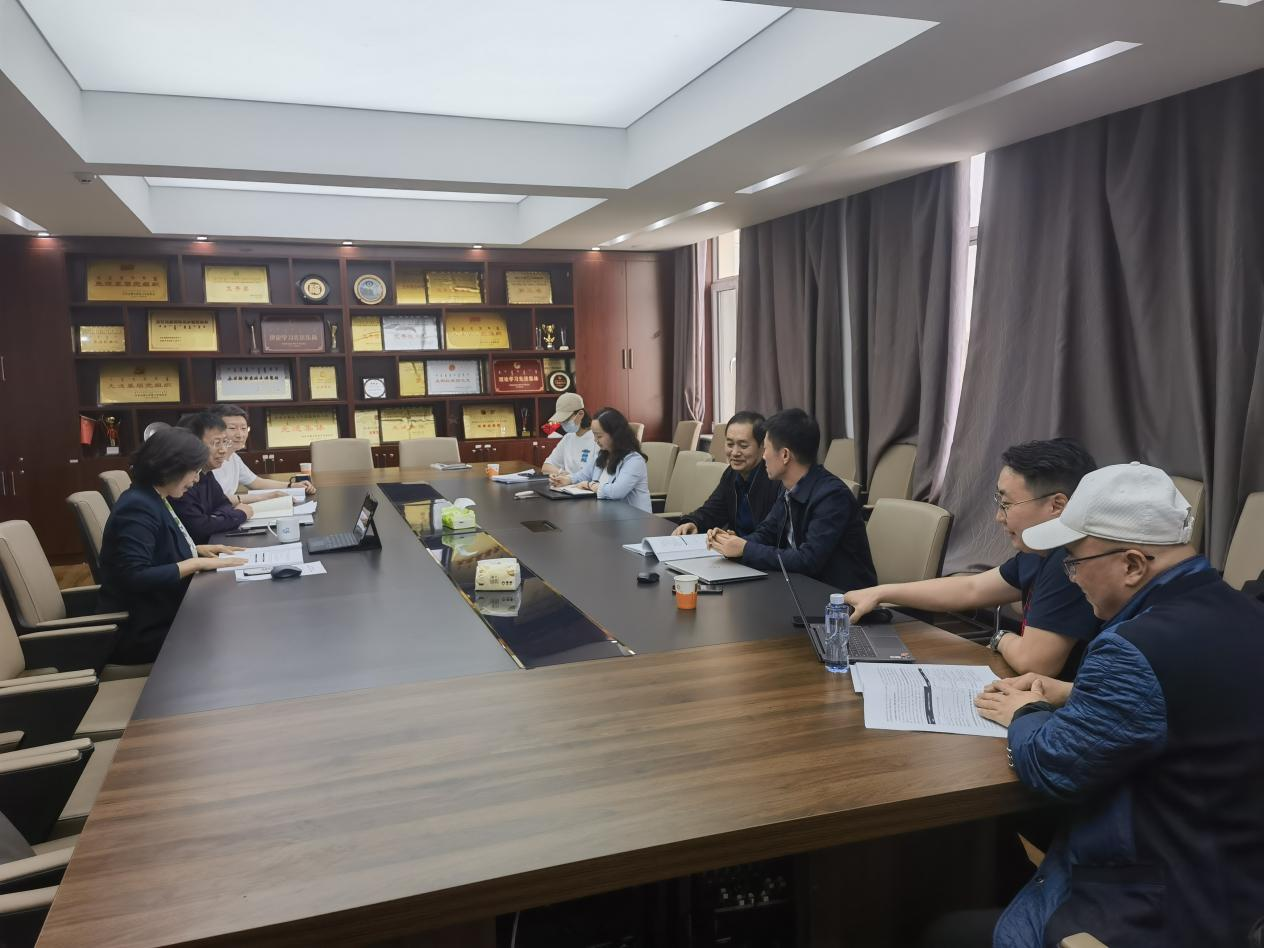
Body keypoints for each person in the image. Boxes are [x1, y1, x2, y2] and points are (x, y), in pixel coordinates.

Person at [972, 463, 1264, 948]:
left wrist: (1024, 712)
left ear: (1132, 565)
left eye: (1073, 561)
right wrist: (1073, 692)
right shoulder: (1241, 612)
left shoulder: (1135, 647)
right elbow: (1191, 701)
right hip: (1235, 883)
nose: (1071, 577)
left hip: (1158, 903)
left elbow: (1054, 765)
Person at [846, 438, 1099, 677]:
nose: (998, 517)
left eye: (1006, 504)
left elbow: (1034, 662)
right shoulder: (1037, 552)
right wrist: (880, 593)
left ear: (1056, 505)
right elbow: (971, 588)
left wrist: (1000, 637)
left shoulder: (1070, 559)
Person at [98, 428, 246, 664]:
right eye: (194, 471)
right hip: (146, 629)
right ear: (172, 467)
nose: (197, 480)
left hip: (168, 613)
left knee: (233, 618)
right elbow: (134, 575)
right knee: (234, 631)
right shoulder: (137, 506)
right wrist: (194, 563)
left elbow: (158, 547)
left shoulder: (152, 497)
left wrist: (196, 549)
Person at [707, 408, 876, 590]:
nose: (763, 456)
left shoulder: (832, 496)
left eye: (766, 448)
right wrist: (733, 542)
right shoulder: (789, 487)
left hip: (839, 598)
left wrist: (745, 548)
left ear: (785, 455)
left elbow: (808, 560)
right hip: (799, 587)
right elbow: (767, 532)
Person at [672, 410, 782, 538]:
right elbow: (713, 510)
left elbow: (772, 533)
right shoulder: (731, 474)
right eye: (730, 444)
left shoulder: (775, 478)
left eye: (743, 446)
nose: (734, 452)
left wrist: (741, 543)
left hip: (754, 548)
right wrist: (693, 522)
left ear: (763, 446)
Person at [170, 412, 252, 543]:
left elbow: (223, 504)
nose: (223, 450)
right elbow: (200, 528)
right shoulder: (180, 481)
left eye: (224, 442)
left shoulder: (206, 472)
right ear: (193, 444)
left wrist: (216, 518)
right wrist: (239, 515)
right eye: (216, 443)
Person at [549, 407, 650, 513]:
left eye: (599, 436)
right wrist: (567, 479)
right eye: (594, 435)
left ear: (615, 435)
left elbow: (617, 491)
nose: (595, 440)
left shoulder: (634, 461)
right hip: (608, 514)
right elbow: (583, 475)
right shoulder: (603, 455)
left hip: (633, 518)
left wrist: (589, 485)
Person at [209, 403, 317, 499]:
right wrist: (266, 496)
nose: (240, 435)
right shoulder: (208, 461)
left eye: (243, 428)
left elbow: (256, 483)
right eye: (232, 428)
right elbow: (215, 500)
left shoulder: (234, 458)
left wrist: (292, 486)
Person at [540, 392, 597, 476]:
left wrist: (571, 478)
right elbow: (546, 467)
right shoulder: (568, 438)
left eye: (566, 420)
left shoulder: (597, 438)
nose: (563, 424)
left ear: (580, 414)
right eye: (562, 421)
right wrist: (561, 473)